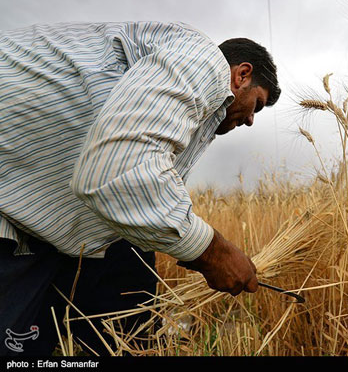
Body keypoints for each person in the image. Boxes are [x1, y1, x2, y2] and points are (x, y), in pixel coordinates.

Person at [0, 21, 280, 355]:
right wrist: (212, 252)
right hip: (14, 219)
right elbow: (117, 170)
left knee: (125, 308)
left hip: (42, 221)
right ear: (241, 74)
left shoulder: (188, 112)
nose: (251, 120)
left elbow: (138, 185)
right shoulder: (204, 61)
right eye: (258, 105)